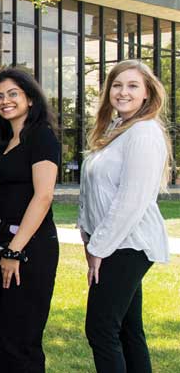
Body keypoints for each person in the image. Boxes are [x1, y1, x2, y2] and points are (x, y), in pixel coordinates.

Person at [79, 60, 172, 373]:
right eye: (117, 85)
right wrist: (87, 235)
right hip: (111, 243)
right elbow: (92, 189)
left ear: (147, 93)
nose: (123, 92)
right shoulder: (114, 128)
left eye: (133, 85)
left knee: (101, 329)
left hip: (126, 245)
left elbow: (131, 201)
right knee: (129, 329)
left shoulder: (144, 133)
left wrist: (97, 248)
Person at [0, 68, 60, 373]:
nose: (5, 100)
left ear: (30, 97)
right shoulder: (5, 142)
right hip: (4, 245)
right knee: (4, 339)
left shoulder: (42, 136)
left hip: (31, 249)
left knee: (21, 342)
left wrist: (14, 251)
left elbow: (43, 197)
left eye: (13, 93)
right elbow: (0, 202)